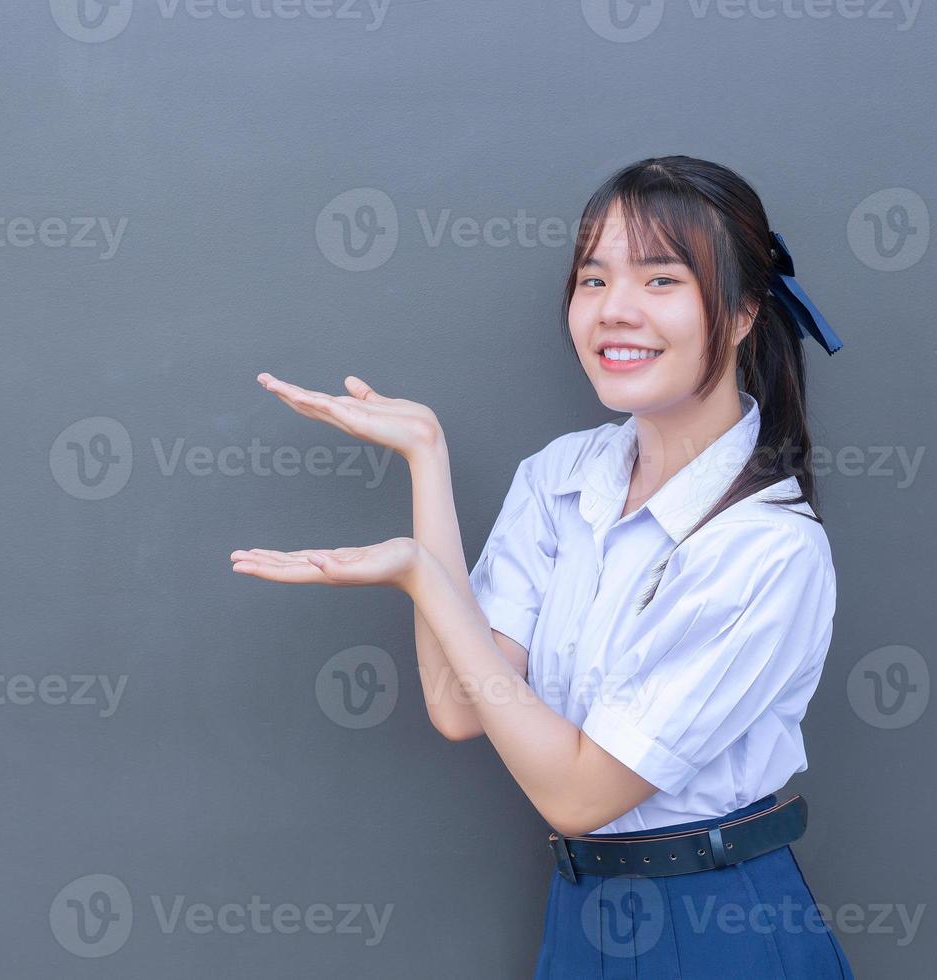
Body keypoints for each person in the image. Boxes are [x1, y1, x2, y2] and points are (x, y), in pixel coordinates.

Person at [230, 154, 854, 977]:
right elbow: (461, 704)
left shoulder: (769, 550)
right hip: (582, 912)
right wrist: (427, 462)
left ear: (741, 312)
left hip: (717, 925)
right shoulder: (561, 476)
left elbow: (576, 794)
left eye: (661, 280)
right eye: (593, 280)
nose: (614, 312)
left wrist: (423, 576)